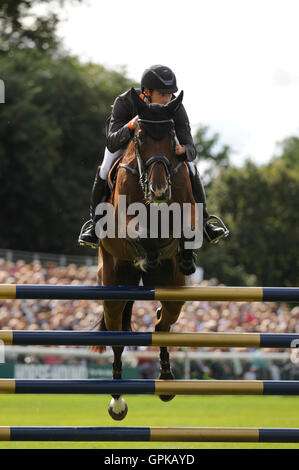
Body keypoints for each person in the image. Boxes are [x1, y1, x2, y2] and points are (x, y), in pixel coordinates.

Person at [78, 65, 229, 249]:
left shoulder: (175, 106)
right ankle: (95, 224)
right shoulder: (125, 102)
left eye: (170, 94)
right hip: (127, 145)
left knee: (191, 166)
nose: (167, 99)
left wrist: (184, 150)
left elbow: (190, 146)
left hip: (163, 149)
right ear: (147, 92)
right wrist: (131, 126)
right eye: (163, 94)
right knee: (105, 167)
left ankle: (205, 222)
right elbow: (112, 141)